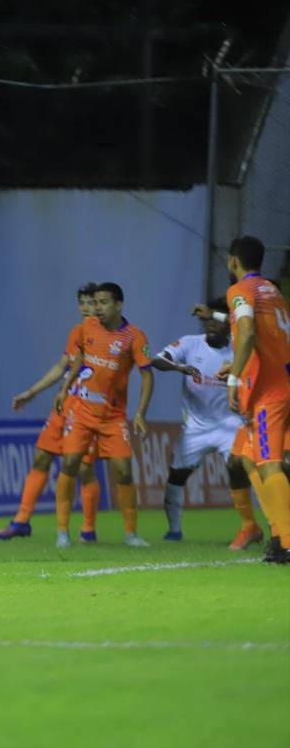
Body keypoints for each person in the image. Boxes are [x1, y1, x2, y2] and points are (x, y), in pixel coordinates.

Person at [193, 236, 290, 563]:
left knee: (269, 462)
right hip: (278, 380)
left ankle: (288, 539)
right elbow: (252, 328)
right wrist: (236, 365)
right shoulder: (272, 292)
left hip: (266, 390)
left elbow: (247, 332)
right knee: (247, 458)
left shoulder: (239, 291)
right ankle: (277, 534)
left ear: (233, 260)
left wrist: (235, 377)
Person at [0, 283, 101, 541]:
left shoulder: (110, 337)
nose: (87, 308)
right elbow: (62, 366)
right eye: (82, 302)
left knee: (84, 469)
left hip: (90, 410)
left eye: (92, 302)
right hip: (65, 405)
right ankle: (21, 521)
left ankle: (88, 529)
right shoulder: (77, 332)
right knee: (41, 456)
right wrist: (31, 392)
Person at [152, 296, 262, 549]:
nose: (211, 328)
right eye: (208, 324)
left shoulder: (240, 346)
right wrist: (179, 367)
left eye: (217, 323)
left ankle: (257, 524)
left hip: (232, 423)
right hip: (196, 427)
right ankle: (174, 531)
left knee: (245, 468)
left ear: (229, 326)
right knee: (177, 474)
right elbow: (158, 360)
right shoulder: (191, 344)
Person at [54, 282, 153, 548]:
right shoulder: (86, 328)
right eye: (95, 302)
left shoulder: (134, 337)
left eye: (103, 302)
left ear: (119, 305)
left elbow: (147, 376)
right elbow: (79, 361)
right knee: (70, 464)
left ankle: (131, 534)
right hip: (83, 411)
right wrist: (64, 389)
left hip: (113, 417)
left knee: (123, 471)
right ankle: (62, 531)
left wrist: (140, 412)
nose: (97, 308)